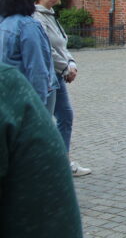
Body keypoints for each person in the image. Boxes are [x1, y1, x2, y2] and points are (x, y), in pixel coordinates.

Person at [0, 62, 83, 237]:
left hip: (49, 83)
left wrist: (69, 63)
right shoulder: (7, 88)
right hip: (42, 88)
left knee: (66, 116)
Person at [33, 0, 91, 177]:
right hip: (47, 76)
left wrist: (71, 63)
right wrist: (66, 68)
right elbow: (46, 49)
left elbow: (62, 44)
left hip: (58, 74)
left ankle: (62, 161)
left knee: (65, 116)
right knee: (45, 120)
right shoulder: (36, 17)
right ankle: (46, 164)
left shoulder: (51, 14)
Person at [0, 0, 57, 112]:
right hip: (26, 96)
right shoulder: (27, 26)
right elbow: (37, 68)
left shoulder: (4, 23)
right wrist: (39, 106)